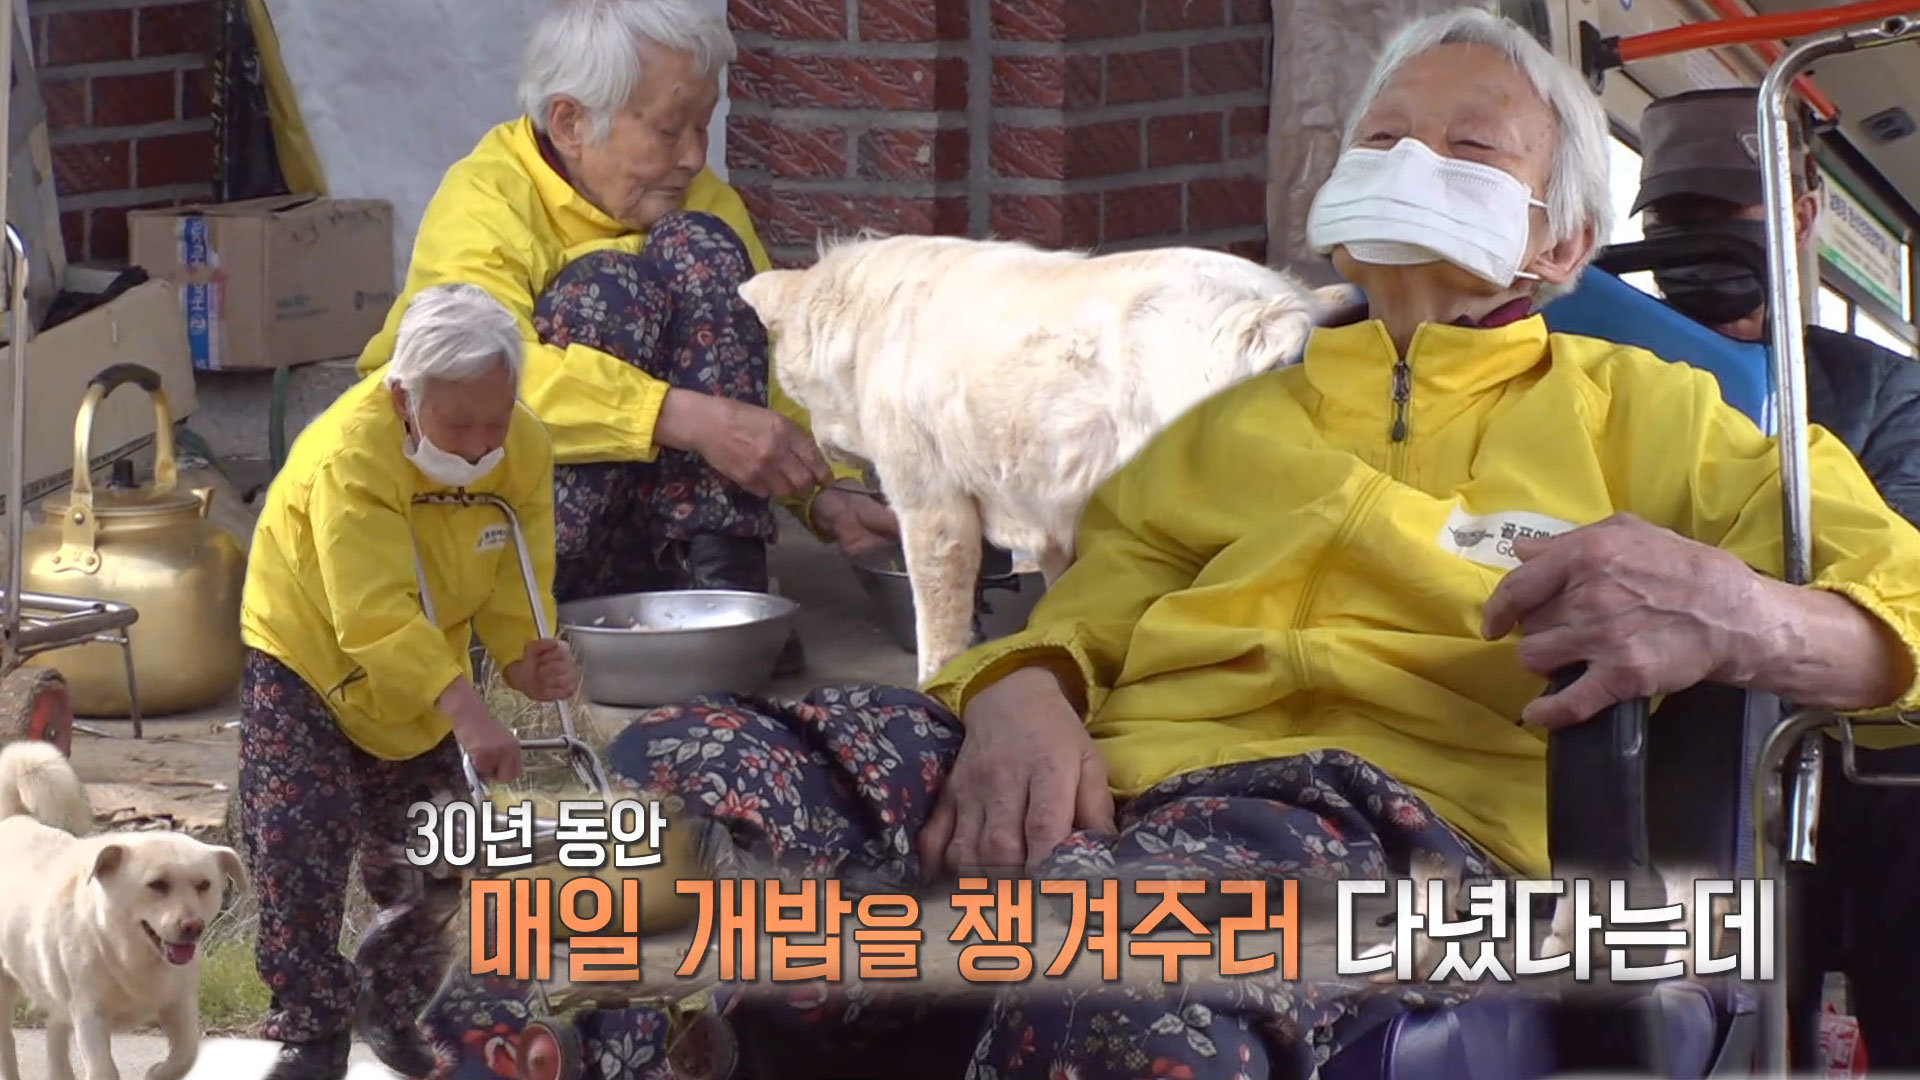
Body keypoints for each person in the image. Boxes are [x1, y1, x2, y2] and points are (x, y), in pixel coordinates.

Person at [565, 7, 1920, 1078]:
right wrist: (1021, 687)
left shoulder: (1660, 417)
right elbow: (1092, 603)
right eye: (1383, 137)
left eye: (1470, 149)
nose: (1412, 164)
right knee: (655, 805)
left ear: (1560, 241)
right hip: (1117, 786)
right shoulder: (1232, 425)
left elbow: (1900, 596)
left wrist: (1741, 610)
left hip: (1401, 831)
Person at [352, 0, 897, 675]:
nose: (694, 156)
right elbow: (470, 382)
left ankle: (723, 593)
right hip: (498, 532)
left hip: (639, 536)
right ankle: (519, 618)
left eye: (703, 126)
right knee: (612, 287)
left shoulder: (697, 198)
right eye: (669, 129)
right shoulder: (485, 200)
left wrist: (827, 490)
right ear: (570, 123)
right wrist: (681, 416)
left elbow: (772, 359)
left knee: (702, 246)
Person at [1632, 86, 1920, 1070]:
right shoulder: (1603, 373)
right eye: (1671, 223)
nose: (1694, 245)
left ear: (1798, 215)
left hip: (1845, 757)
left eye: (1723, 214)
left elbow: (1895, 579)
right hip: (1656, 737)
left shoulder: (1880, 394)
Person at [238, 283, 580, 1080]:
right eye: (458, 425)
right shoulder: (350, 455)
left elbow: (517, 570)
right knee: (300, 840)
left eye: (496, 419)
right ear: (403, 397)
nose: (480, 445)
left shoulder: (522, 448)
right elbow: (373, 613)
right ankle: (311, 1028)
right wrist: (466, 707)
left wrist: (527, 658)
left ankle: (392, 1007)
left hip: (428, 662)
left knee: (438, 856)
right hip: (310, 657)